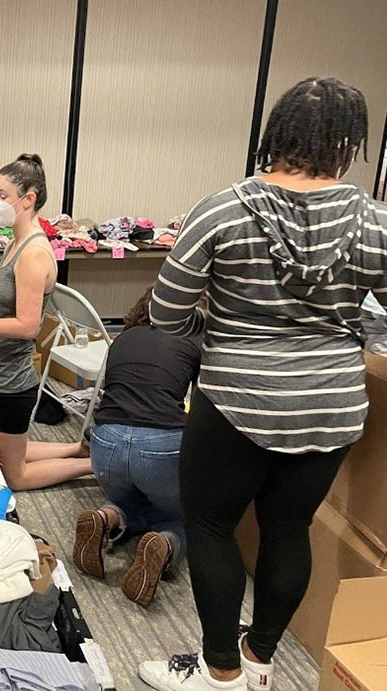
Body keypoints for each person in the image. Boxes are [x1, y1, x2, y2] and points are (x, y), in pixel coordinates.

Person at [141, 77, 387, 691]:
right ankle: (261, 663)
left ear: (275, 134)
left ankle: (219, 669)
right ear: (347, 143)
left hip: (235, 400)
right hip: (330, 404)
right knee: (288, 529)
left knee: (212, 526)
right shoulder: (377, 222)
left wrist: (226, 320)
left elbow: (166, 316)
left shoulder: (223, 207)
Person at [0, 154, 91, 490]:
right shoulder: (14, 242)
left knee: (15, 476)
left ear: (28, 199)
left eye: (2, 195)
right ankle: (76, 448)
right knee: (1, 448)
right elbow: (4, 303)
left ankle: (94, 464)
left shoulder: (34, 254)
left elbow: (27, 326)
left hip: (11, 380)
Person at [72, 286, 200, 607]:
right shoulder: (192, 342)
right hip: (160, 446)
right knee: (181, 517)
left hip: (105, 443)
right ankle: (165, 543)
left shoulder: (122, 340)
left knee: (127, 496)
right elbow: (202, 409)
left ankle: (106, 517)